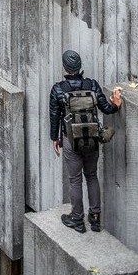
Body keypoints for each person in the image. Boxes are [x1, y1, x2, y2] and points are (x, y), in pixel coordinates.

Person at [49, 49, 122, 233]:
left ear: (65, 68)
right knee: (91, 176)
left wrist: (54, 138)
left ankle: (77, 220)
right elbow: (107, 108)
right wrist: (115, 103)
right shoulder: (92, 85)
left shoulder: (58, 89)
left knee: (75, 180)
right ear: (79, 67)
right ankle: (95, 219)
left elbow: (54, 116)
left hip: (70, 141)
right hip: (92, 139)